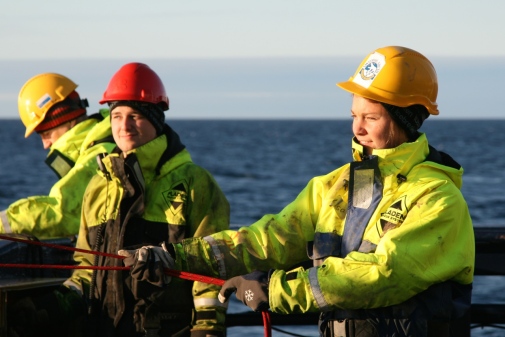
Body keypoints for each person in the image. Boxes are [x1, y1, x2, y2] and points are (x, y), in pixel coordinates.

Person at [120, 46, 475, 337]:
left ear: (406, 119)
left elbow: (382, 273)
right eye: (355, 115)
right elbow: (271, 237)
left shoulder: (437, 196)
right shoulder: (337, 185)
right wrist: (175, 256)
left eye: (371, 117)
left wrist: (275, 290)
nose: (358, 129)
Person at [7, 62, 231, 337]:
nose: (124, 126)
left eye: (135, 116)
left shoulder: (196, 185)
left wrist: (208, 330)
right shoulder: (98, 187)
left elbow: (210, 271)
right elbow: (87, 273)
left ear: (156, 119)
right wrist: (49, 308)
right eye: (117, 116)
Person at [0, 73, 115, 239]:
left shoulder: (99, 153)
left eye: (46, 133)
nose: (45, 144)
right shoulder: (102, 140)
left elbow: (64, 212)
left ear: (64, 118)